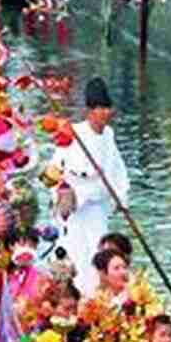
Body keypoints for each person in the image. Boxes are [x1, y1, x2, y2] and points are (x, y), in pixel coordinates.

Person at [52, 78, 131, 297]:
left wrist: (122, 199)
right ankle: (76, 293)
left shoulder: (109, 135)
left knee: (100, 249)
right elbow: (54, 170)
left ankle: (100, 294)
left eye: (107, 108)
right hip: (75, 204)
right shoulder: (73, 133)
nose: (105, 113)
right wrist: (62, 195)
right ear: (90, 110)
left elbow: (117, 169)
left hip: (97, 204)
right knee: (75, 249)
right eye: (100, 109)